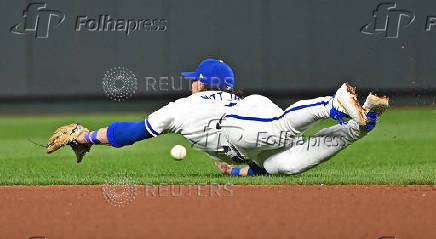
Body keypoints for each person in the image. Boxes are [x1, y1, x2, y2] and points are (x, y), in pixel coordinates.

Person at [47, 58, 389, 176]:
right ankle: (362, 122)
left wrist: (86, 136)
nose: (191, 82)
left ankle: (333, 103)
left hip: (252, 120)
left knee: (266, 130)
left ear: (200, 83)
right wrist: (235, 171)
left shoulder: (181, 107)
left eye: (194, 78)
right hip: (263, 138)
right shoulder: (223, 97)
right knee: (281, 166)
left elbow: (131, 132)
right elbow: (256, 161)